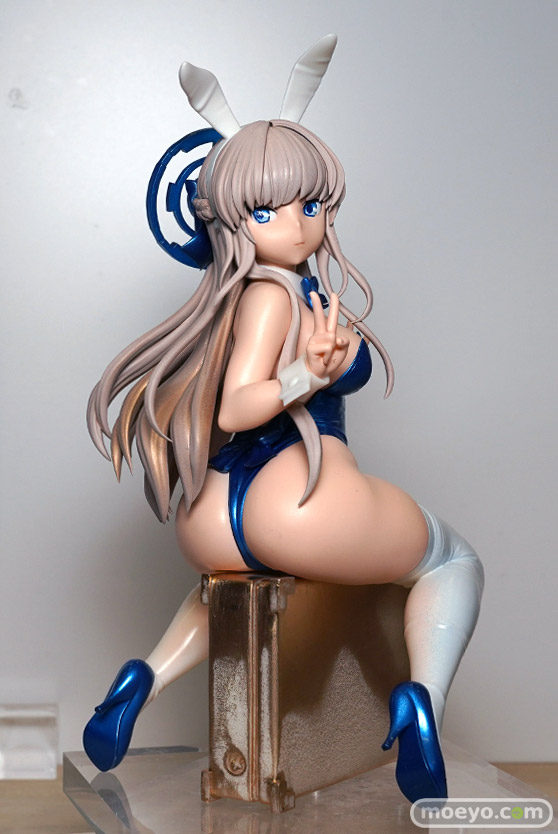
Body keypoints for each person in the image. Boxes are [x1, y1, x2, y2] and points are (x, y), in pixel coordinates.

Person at [83, 36, 484, 803]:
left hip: (214, 515)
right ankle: (422, 701)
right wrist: (310, 375)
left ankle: (145, 677)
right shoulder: (277, 294)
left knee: (228, 596)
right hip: (296, 497)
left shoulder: (237, 297)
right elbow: (239, 403)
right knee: (453, 562)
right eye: (268, 210)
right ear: (232, 221)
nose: (298, 226)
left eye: (310, 205)